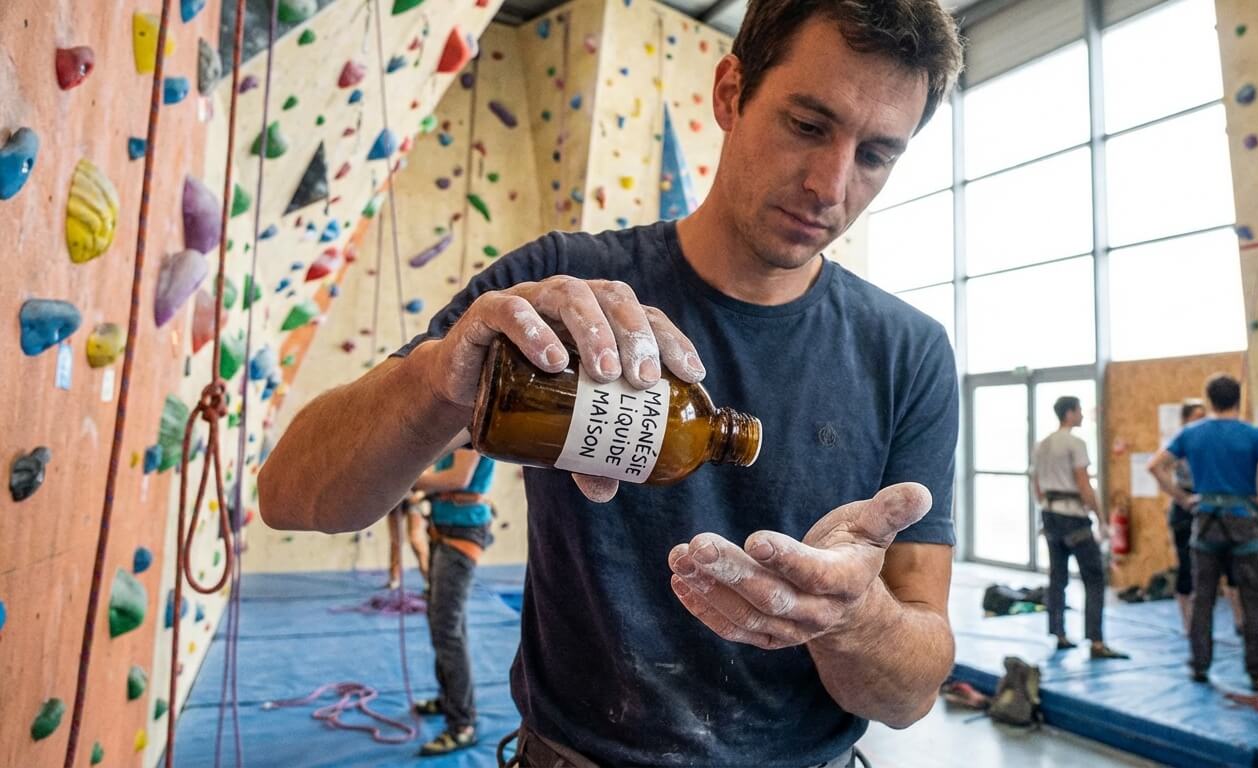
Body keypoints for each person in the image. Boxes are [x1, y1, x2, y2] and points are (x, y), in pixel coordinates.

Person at [259, 2, 965, 765]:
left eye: (875, 156)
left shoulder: (907, 353)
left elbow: (909, 694)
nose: (831, 184)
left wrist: (852, 617)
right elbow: (294, 495)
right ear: (730, 92)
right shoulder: (563, 288)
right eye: (807, 124)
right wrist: (440, 375)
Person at [1147, 374, 1258, 693]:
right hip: (1244, 524)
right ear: (1238, 399)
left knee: (1203, 599)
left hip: (1207, 523)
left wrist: (1184, 499)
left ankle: (1200, 665)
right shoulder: (1252, 434)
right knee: (1252, 600)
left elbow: (1155, 466)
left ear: (1209, 399)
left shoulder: (1192, 433)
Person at [409, 447, 498, 756]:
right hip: (446, 526)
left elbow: (458, 478)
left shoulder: (471, 433)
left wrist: (414, 481)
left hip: (462, 530)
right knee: (441, 621)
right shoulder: (457, 431)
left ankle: (462, 724)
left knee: (447, 627)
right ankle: (448, 697)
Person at [1031, 396, 1128, 660]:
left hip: (1051, 515)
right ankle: (1096, 640)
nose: (1082, 414)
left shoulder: (1042, 445)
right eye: (1080, 410)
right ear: (1070, 413)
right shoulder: (1075, 443)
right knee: (1094, 577)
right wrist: (1100, 517)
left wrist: (1045, 505)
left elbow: (1036, 482)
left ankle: (1059, 633)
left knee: (1058, 576)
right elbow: (1083, 483)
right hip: (1073, 517)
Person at [1166, 401, 1244, 633]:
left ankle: (1240, 619)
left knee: (1231, 562)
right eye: (1197, 417)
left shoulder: (1211, 440)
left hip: (1214, 504)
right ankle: (1189, 623)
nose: (1203, 421)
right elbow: (1160, 468)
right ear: (1186, 419)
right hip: (1188, 507)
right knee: (1188, 566)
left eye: (1204, 416)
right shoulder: (1181, 443)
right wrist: (1181, 497)